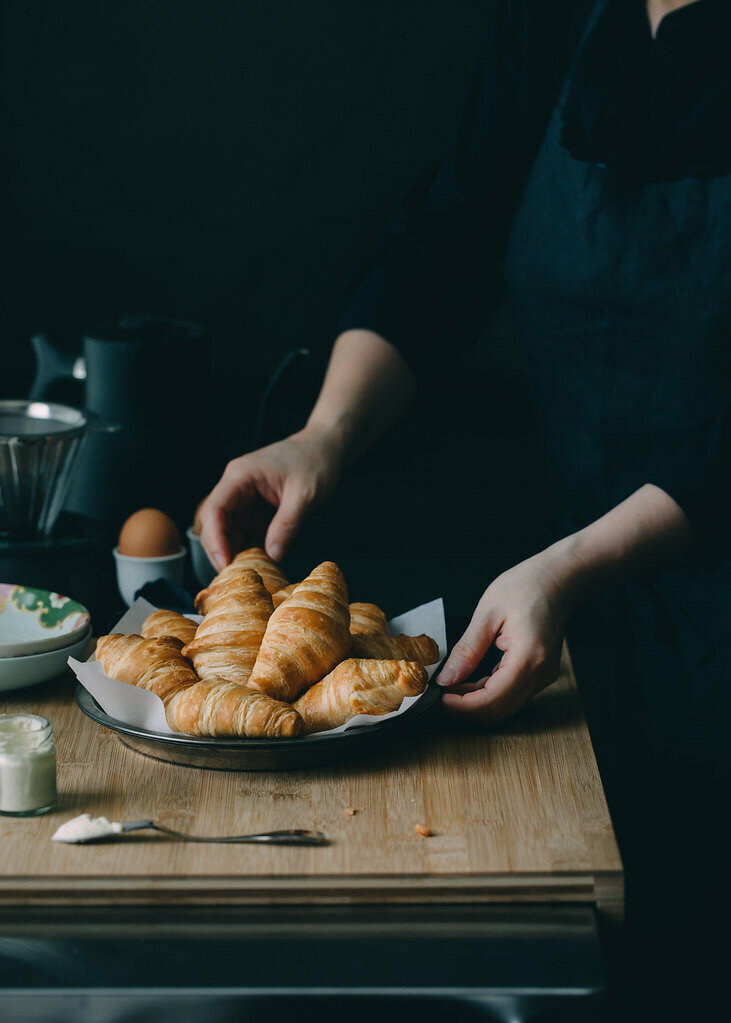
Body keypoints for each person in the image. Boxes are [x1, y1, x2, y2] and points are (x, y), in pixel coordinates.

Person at [201, 1, 729, 1015]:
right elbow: (444, 243)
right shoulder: (562, 22)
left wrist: (574, 564)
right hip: (586, 644)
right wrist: (325, 432)